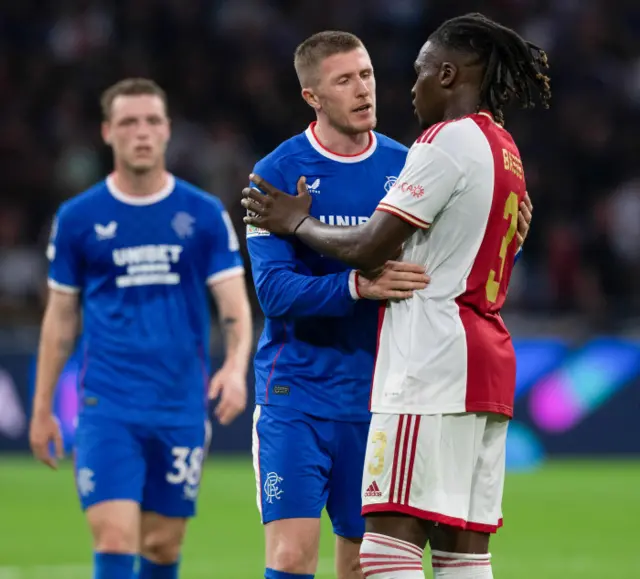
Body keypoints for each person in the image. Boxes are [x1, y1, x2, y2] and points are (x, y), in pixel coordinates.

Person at [242, 12, 548, 579]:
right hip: (297, 393)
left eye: (367, 75)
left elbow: (447, 257)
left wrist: (511, 243)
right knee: (290, 556)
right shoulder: (276, 173)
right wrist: (355, 286)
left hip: (382, 389)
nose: (363, 89)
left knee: (365, 562)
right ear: (311, 95)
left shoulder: (405, 161)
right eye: (344, 80)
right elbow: (273, 291)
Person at [29, 78, 252, 579]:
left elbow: (234, 306)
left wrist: (236, 369)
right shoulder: (78, 218)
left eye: (152, 121)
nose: (142, 132)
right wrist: (42, 408)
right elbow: (60, 320)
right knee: (114, 536)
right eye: (129, 122)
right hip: (107, 403)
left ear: (168, 130)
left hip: (180, 405)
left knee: (160, 546)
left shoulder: (203, 214)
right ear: (108, 132)